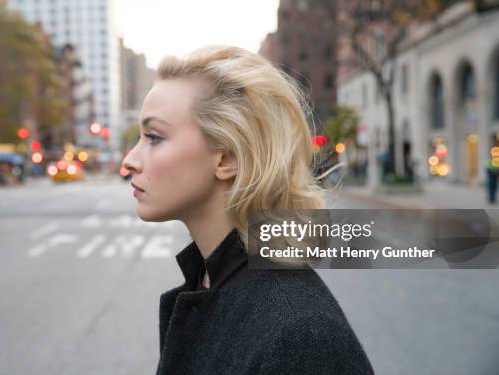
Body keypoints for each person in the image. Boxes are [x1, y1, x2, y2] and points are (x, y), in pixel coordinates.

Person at [122, 46, 375, 374]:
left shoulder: (298, 336)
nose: (130, 160)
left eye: (154, 137)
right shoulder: (209, 282)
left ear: (227, 158)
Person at [486, 137, 499, 204]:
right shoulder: (494, 149)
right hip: (491, 170)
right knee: (491, 185)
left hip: (494, 169)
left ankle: (492, 198)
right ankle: (491, 198)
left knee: (493, 185)